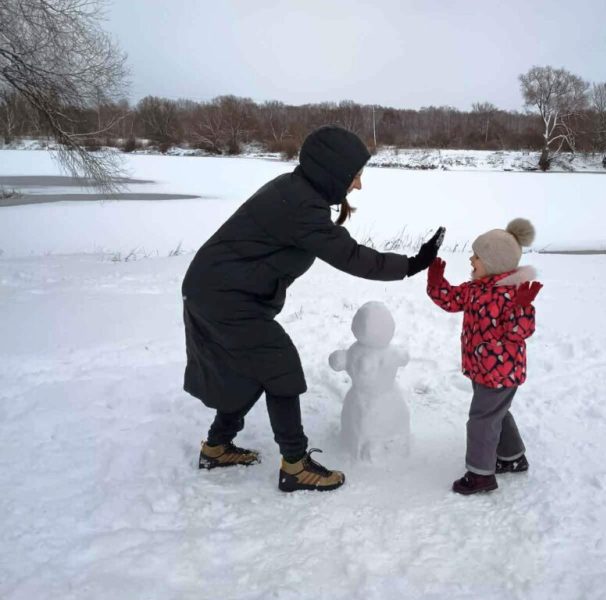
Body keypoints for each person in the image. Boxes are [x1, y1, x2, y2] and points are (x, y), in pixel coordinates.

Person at [182, 124, 445, 492]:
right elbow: (352, 257)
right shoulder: (301, 207)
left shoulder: (297, 193)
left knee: (252, 369)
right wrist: (413, 263)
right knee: (280, 365)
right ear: (332, 173)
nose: (358, 185)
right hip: (226, 298)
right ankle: (295, 464)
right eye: (355, 176)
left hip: (218, 291)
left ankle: (217, 446)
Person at [426, 218, 542, 495]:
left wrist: (521, 308)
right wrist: (436, 283)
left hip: (502, 372)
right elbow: (452, 300)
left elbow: (519, 331)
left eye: (477, 256)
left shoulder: (513, 294)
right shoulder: (477, 289)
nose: (471, 259)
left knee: (482, 419)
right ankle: (513, 458)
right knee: (495, 414)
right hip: (483, 368)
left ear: (494, 262)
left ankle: (480, 475)